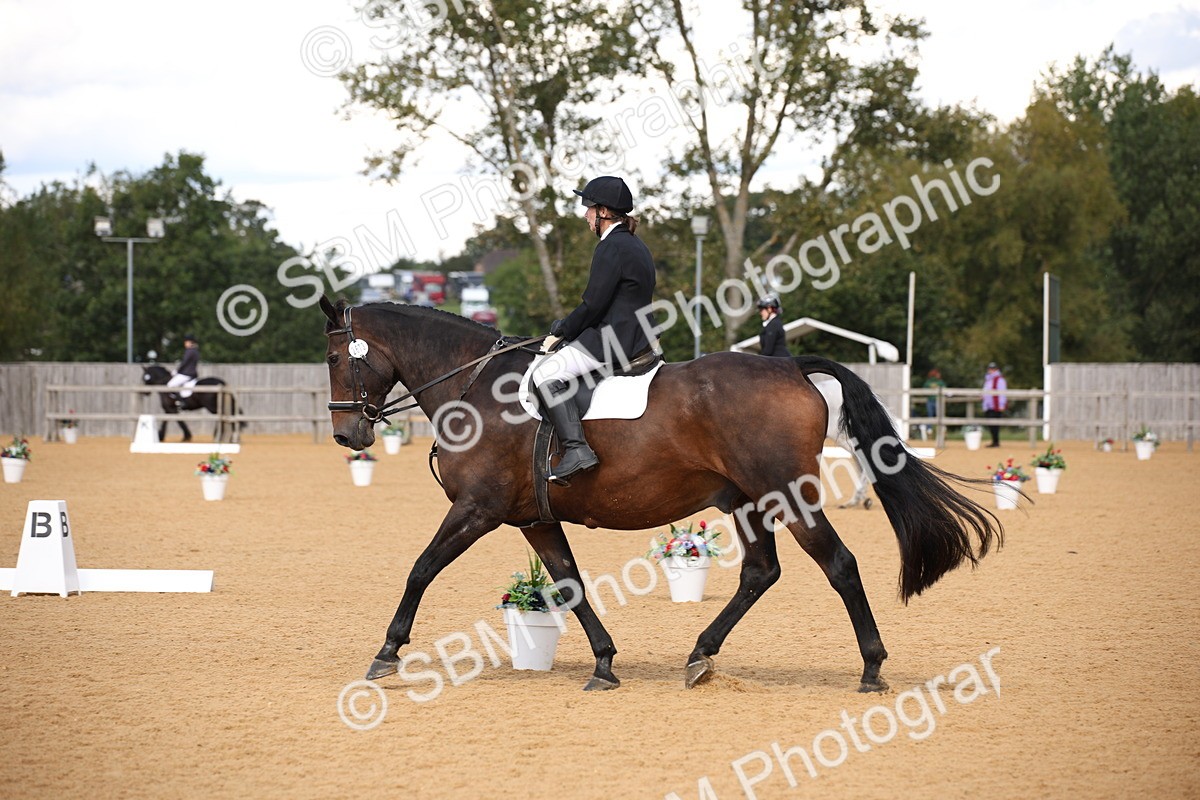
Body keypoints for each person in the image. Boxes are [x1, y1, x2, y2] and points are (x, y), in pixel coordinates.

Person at [533, 176, 657, 486]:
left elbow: (593, 305)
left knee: (545, 375)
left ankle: (576, 449)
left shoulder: (611, 247)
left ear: (602, 212)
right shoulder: (635, 244)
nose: (585, 215)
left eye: (588, 208)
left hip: (613, 340)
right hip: (639, 336)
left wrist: (563, 329)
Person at [167, 334, 200, 408]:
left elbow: (184, 363)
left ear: (191, 342)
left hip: (186, 374)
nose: (185, 344)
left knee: (170, 385)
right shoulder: (196, 351)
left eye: (186, 342)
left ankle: (179, 401)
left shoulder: (189, 351)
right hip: (193, 374)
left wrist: (177, 371)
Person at [982, 362, 1007, 447]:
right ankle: (994, 441)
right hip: (988, 405)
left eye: (993, 369)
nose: (991, 370)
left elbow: (1002, 393)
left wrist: (1001, 405)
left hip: (995, 405)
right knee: (991, 424)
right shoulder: (988, 380)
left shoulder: (1000, 380)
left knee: (995, 424)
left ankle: (996, 441)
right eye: (990, 368)